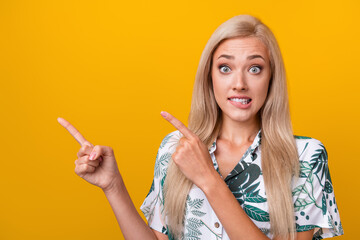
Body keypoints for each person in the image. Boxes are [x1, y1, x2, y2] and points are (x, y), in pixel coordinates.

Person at [58, 14, 343, 240]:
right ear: (209, 78)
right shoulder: (176, 148)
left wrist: (208, 178)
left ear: (271, 78)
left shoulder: (306, 157)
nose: (239, 83)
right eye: (225, 68)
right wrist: (113, 185)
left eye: (255, 68)